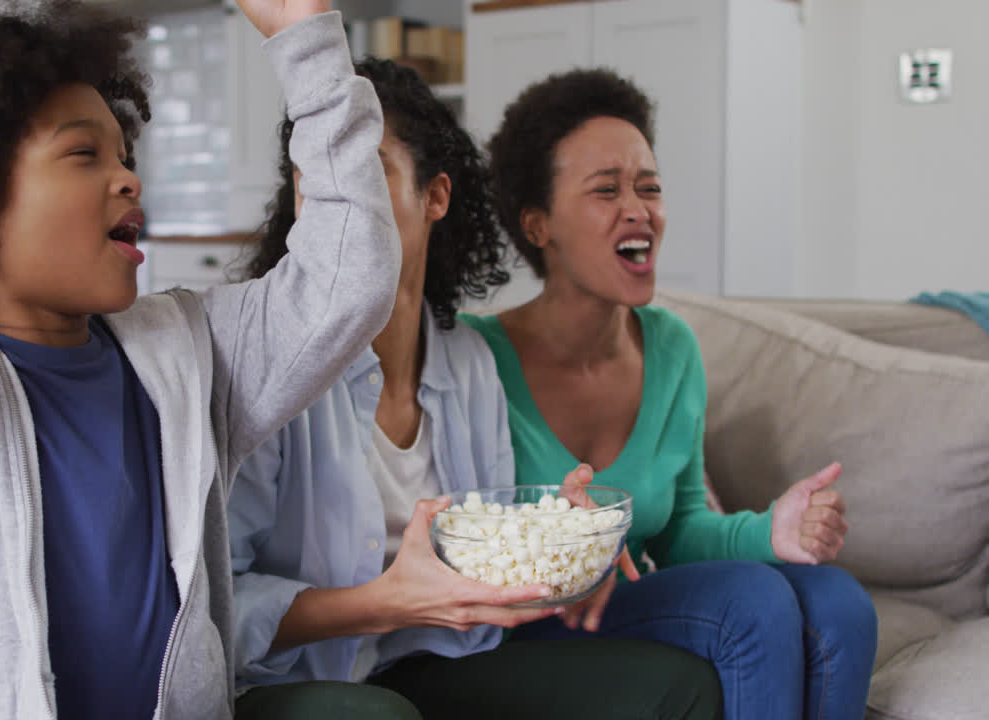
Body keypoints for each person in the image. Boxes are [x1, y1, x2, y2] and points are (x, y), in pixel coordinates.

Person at [0, 0, 401, 717]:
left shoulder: (192, 350)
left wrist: (304, 37)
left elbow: (348, 281)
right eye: (84, 153)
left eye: (125, 155)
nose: (129, 180)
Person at [228, 58, 724, 720]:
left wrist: (561, 547)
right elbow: (215, 606)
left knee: (678, 687)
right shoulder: (266, 361)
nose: (332, 199)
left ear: (435, 197)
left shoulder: (466, 363)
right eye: (308, 178)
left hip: (426, 662)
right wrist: (383, 601)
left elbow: (485, 567)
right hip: (291, 683)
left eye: (365, 169)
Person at [463, 68, 878, 720]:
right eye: (607, 190)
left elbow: (680, 532)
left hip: (622, 608)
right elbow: (445, 533)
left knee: (838, 602)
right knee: (749, 600)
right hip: (521, 628)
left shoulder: (672, 347)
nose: (639, 209)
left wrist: (774, 529)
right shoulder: (474, 357)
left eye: (649, 188)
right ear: (538, 225)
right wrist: (554, 544)